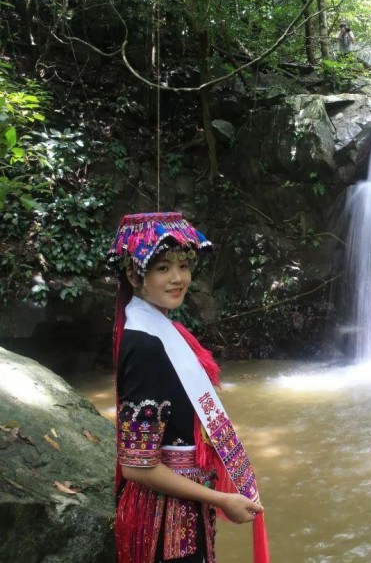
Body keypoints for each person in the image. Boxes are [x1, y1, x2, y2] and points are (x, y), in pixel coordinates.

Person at [108, 212, 270, 563]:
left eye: (183, 265)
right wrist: (222, 499)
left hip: (181, 504)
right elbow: (137, 465)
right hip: (161, 522)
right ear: (136, 275)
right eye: (163, 268)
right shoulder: (146, 346)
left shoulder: (162, 330)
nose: (178, 278)